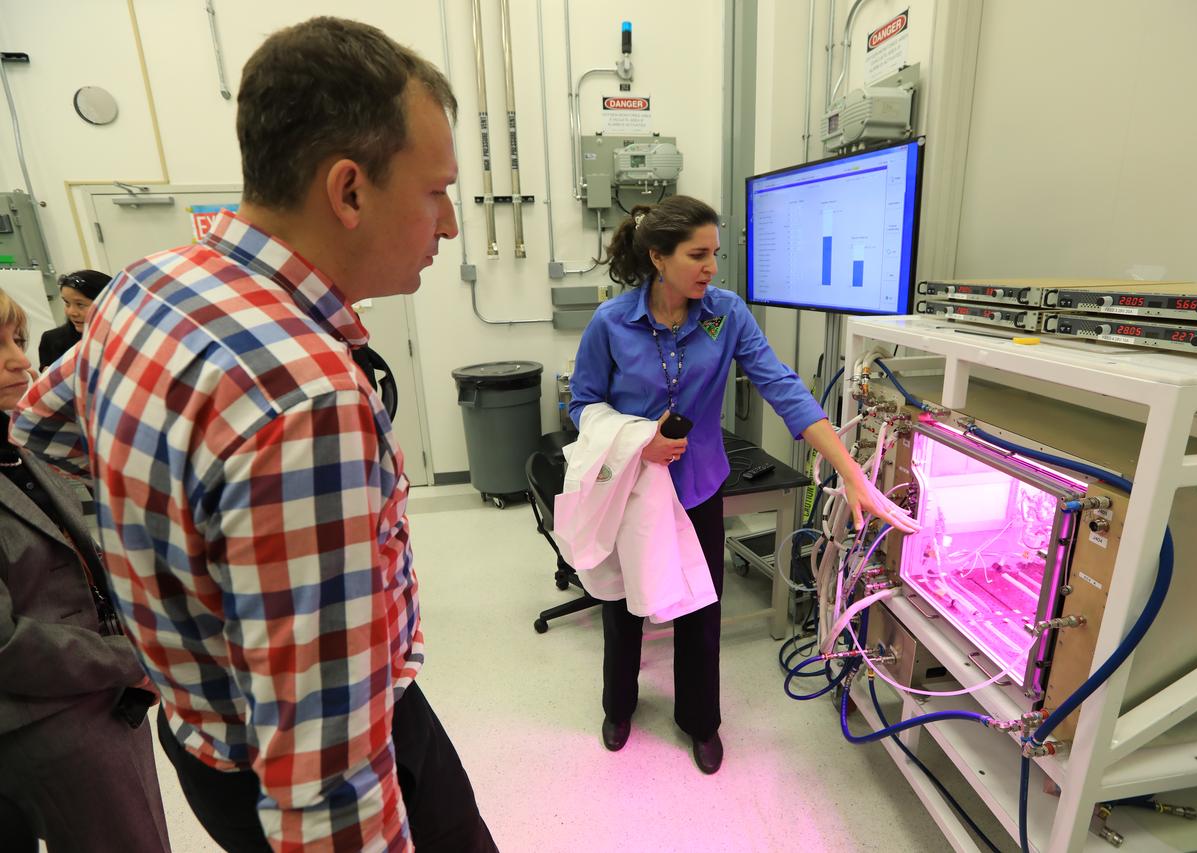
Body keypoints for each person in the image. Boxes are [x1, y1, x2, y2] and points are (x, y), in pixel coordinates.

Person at [10, 17, 496, 853]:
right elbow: (322, 776)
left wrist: (159, 584)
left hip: (202, 737)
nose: (448, 225)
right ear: (348, 190)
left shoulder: (148, 284)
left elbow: (41, 436)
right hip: (305, 762)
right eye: (435, 191)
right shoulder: (308, 400)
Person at [568, 195, 919, 774]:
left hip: (699, 486)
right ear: (658, 257)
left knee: (700, 613)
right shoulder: (612, 322)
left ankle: (700, 722)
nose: (711, 267)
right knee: (622, 607)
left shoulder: (725, 315)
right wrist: (638, 442)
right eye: (697, 254)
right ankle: (619, 707)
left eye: (716, 253)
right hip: (630, 490)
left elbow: (783, 387)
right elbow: (582, 405)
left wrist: (852, 471)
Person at [0, 289, 170, 852]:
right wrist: (133, 658)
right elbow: (6, 645)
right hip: (47, 718)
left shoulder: (16, 453)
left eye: (18, 341)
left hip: (102, 698)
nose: (20, 361)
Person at [38, 269, 111, 371]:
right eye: (67, 303)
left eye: (80, 304)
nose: (71, 312)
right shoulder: (51, 340)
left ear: (107, 303)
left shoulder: (123, 337)